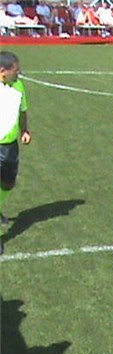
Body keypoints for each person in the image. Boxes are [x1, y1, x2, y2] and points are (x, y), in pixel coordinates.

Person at [0, 51, 32, 255]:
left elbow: (23, 110)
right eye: (16, 70)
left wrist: (24, 130)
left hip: (11, 147)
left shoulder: (19, 86)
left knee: (8, 183)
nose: (19, 73)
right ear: (3, 71)